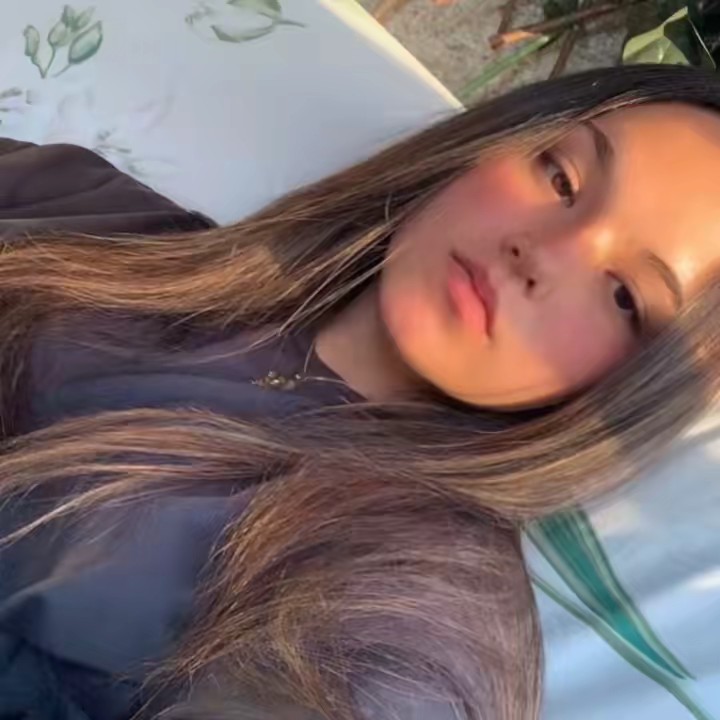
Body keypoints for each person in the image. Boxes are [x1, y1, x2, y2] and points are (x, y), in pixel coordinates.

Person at [1, 62, 720, 719]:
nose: (543, 251)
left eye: (625, 297)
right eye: (561, 178)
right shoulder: (99, 214)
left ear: (635, 392)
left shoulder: (419, 589)